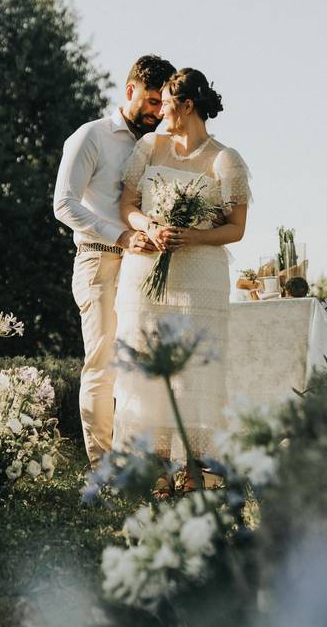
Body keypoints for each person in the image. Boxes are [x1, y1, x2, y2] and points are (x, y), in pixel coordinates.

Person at [112, 67, 252, 489]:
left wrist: (192, 235)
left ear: (187, 106)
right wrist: (149, 226)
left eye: (166, 103)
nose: (159, 112)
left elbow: (236, 228)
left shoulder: (226, 160)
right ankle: (156, 465)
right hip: (147, 271)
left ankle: (197, 467)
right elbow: (127, 206)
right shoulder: (149, 147)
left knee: (194, 369)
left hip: (199, 278)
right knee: (151, 365)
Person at [53, 55, 175, 467]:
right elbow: (63, 204)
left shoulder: (155, 146)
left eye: (163, 105)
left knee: (142, 366)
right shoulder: (91, 137)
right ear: (130, 92)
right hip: (98, 261)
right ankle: (102, 466)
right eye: (153, 101)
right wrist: (120, 235)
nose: (158, 113)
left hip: (142, 269)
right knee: (103, 365)